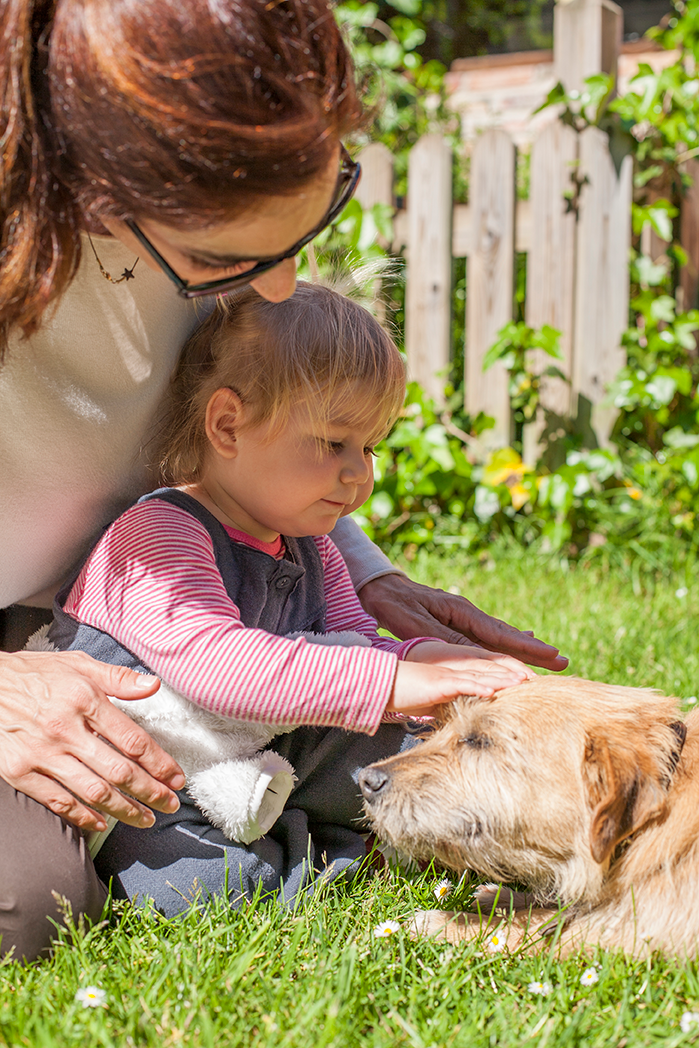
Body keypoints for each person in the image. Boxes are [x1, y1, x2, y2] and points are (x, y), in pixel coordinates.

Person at [0, 0, 566, 962]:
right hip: (97, 656)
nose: (275, 286)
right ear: (88, 191)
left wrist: (367, 589)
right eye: (222, 259)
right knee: (28, 907)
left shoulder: (211, 258)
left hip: (148, 653)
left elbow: (270, 495)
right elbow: (212, 653)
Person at [47, 282, 534, 914]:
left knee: (410, 760)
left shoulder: (308, 544)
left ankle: (367, 837)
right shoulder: (157, 534)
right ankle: (330, 857)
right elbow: (217, 667)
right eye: (335, 444)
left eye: (369, 448)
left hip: (262, 743)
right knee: (205, 886)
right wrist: (395, 679)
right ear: (228, 426)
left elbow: (352, 638)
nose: (360, 472)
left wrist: (430, 661)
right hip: (161, 777)